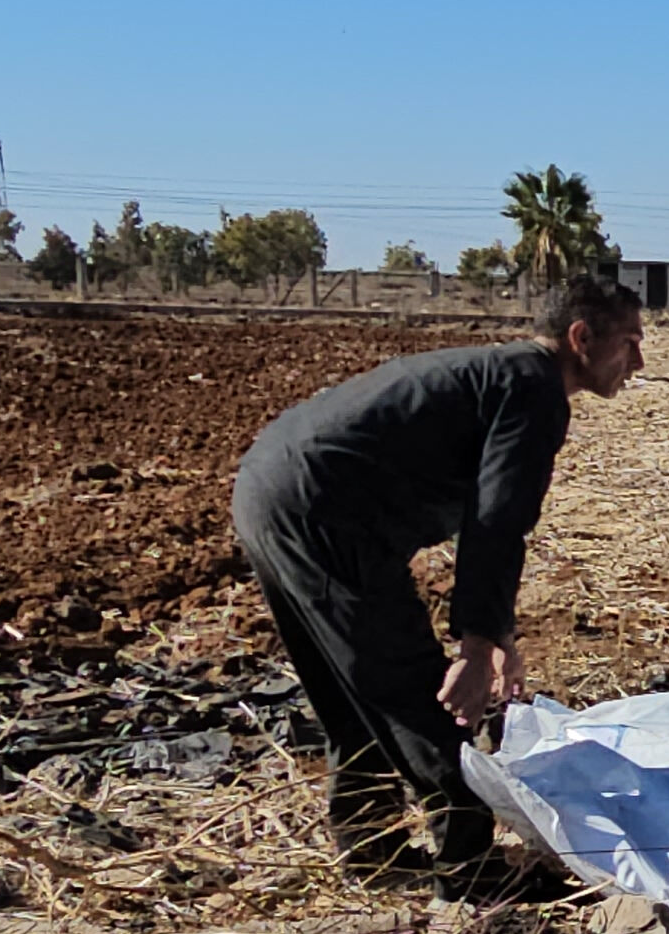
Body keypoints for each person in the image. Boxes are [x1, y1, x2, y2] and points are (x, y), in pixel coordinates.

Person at [231, 270, 644, 888]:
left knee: (356, 695)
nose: (638, 361)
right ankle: (471, 868)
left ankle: (372, 856)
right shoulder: (534, 391)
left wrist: (498, 635)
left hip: (271, 490)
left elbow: (490, 523)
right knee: (422, 697)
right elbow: (496, 523)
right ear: (581, 337)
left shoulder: (503, 376)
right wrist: (475, 648)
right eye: (630, 342)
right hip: (323, 510)